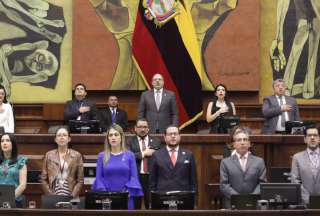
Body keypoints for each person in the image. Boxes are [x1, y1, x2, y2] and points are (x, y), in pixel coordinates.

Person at [92, 124, 143, 209]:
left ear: (121, 137)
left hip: (126, 197)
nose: (113, 137)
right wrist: (106, 194)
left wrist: (126, 193)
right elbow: (99, 178)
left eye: (116, 135)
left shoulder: (130, 155)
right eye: (110, 135)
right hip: (107, 199)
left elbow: (134, 178)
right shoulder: (102, 156)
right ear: (108, 138)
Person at [220, 127, 266, 209]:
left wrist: (251, 198)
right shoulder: (225, 162)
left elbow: (262, 183)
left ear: (249, 144)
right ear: (233, 144)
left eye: (245, 140)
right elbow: (224, 185)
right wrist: (239, 199)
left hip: (253, 204)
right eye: (239, 140)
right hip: (232, 204)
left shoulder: (259, 161)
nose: (242, 142)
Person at [150, 126, 197, 194]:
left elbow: (193, 181)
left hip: (183, 197)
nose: (173, 136)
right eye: (170, 134)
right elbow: (152, 181)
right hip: (162, 197)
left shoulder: (189, 155)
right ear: (165, 137)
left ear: (179, 136)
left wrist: (194, 202)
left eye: (175, 134)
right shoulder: (156, 155)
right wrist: (152, 200)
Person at [127, 119, 162, 209]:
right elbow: (127, 157)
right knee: (136, 205)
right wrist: (144, 153)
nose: (142, 129)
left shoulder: (156, 141)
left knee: (151, 205)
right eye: (140, 127)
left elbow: (161, 157)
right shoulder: (129, 141)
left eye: (145, 127)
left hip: (151, 178)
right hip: (136, 177)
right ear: (135, 128)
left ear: (148, 129)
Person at [40, 126, 84, 197]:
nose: (61, 137)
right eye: (59, 135)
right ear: (55, 139)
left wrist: (72, 195)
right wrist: (51, 195)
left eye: (64, 135)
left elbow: (80, 180)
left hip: (70, 195)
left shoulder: (77, 155)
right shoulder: (49, 155)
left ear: (69, 139)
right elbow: (43, 179)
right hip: (53, 195)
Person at [291, 126, 320, 204]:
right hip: (305, 203)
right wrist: (307, 199)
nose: (312, 138)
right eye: (309, 135)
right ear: (305, 139)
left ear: (319, 139)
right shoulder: (297, 157)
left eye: (315, 135)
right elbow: (295, 181)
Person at [0, 133, 27, 207]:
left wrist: (8, 199)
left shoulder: (21, 160)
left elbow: (22, 185)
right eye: (2, 141)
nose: (4, 143)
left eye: (7, 140)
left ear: (13, 144)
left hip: (14, 200)